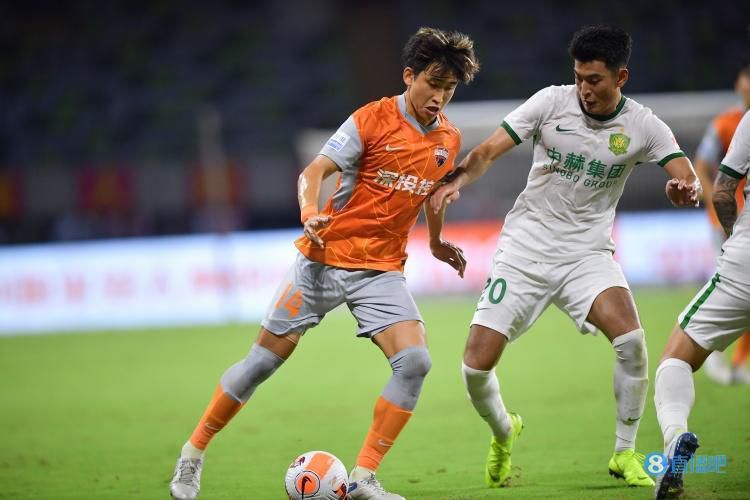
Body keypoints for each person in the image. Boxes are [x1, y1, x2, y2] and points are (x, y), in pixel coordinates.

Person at [169, 27, 479, 500]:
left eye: (450, 89)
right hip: (323, 261)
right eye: (433, 84)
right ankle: (192, 455)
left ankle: (363, 479)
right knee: (259, 365)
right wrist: (310, 213)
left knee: (415, 362)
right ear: (409, 75)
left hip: (381, 271)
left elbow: (432, 195)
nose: (439, 97)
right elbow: (313, 172)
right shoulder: (371, 120)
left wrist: (435, 241)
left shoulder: (448, 140)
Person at [430, 25, 700, 489]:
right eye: (578, 77)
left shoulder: (643, 126)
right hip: (525, 251)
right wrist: (457, 180)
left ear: (621, 77)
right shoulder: (550, 103)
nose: (584, 89)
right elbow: (490, 149)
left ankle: (624, 452)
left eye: (594, 79)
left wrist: (685, 190)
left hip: (586, 255)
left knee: (632, 341)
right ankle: (503, 429)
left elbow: (686, 174)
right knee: (474, 367)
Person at [653, 108, 750, 498]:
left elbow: (725, 190)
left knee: (675, 359)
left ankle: (675, 436)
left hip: (745, 264)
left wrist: (732, 243)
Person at [692, 59, 750, 385]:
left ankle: (741, 364)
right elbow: (702, 164)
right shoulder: (726, 123)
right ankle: (714, 355)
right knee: (727, 285)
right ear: (738, 85)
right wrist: (715, 201)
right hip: (728, 220)